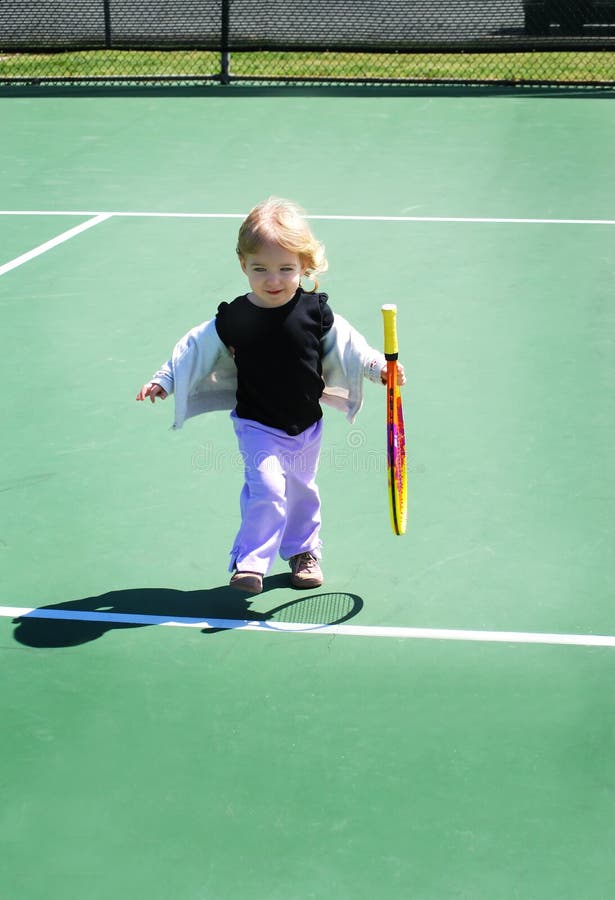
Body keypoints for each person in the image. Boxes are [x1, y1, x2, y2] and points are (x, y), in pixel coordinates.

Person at [136, 197, 405, 595]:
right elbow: (195, 348)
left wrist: (378, 369)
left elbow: (352, 348)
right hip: (256, 424)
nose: (273, 279)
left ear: (304, 266)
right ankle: (250, 563)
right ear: (243, 265)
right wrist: (165, 379)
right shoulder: (234, 318)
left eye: (285, 269)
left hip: (306, 425)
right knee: (268, 488)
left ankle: (303, 552)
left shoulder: (316, 312)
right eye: (259, 268)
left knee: (300, 490)